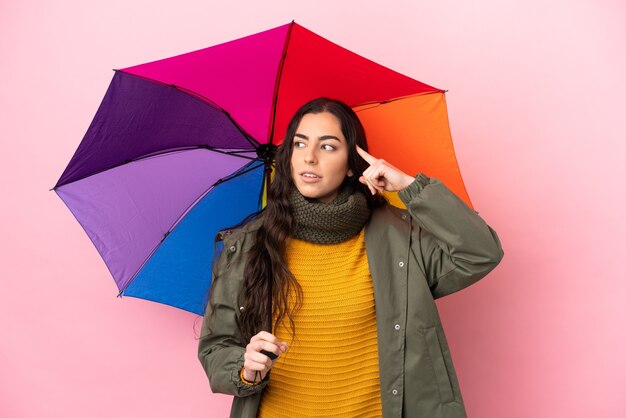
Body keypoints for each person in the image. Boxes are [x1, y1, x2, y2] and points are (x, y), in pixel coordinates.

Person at [197, 97, 504, 418]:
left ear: (351, 164)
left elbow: (481, 252)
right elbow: (216, 347)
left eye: (328, 146)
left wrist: (410, 187)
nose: (310, 158)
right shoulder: (249, 245)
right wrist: (245, 369)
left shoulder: (399, 238)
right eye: (300, 144)